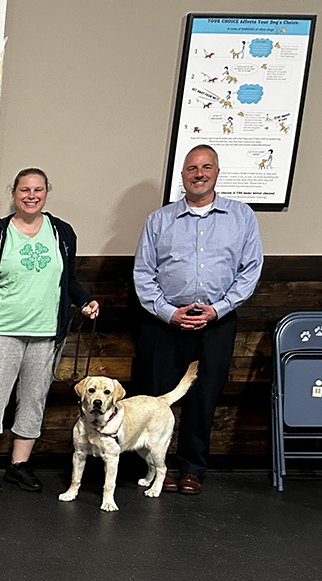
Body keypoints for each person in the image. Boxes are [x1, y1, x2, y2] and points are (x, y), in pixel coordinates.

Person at [0, 168, 99, 493]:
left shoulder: (62, 233)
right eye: (24, 190)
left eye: (38, 189)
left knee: (34, 400)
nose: (31, 195)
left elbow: (70, 281)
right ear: (14, 194)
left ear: (46, 192)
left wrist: (85, 300)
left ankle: (19, 466)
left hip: (47, 333)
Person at [134, 144, 262, 494]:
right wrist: (168, 312)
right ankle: (157, 470)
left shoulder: (241, 217)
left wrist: (218, 308)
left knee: (202, 397)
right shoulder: (159, 220)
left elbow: (250, 271)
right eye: (192, 168)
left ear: (217, 172)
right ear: (183, 176)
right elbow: (144, 274)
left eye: (206, 167)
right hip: (164, 324)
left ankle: (191, 469)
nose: (199, 174)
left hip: (215, 324)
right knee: (157, 400)